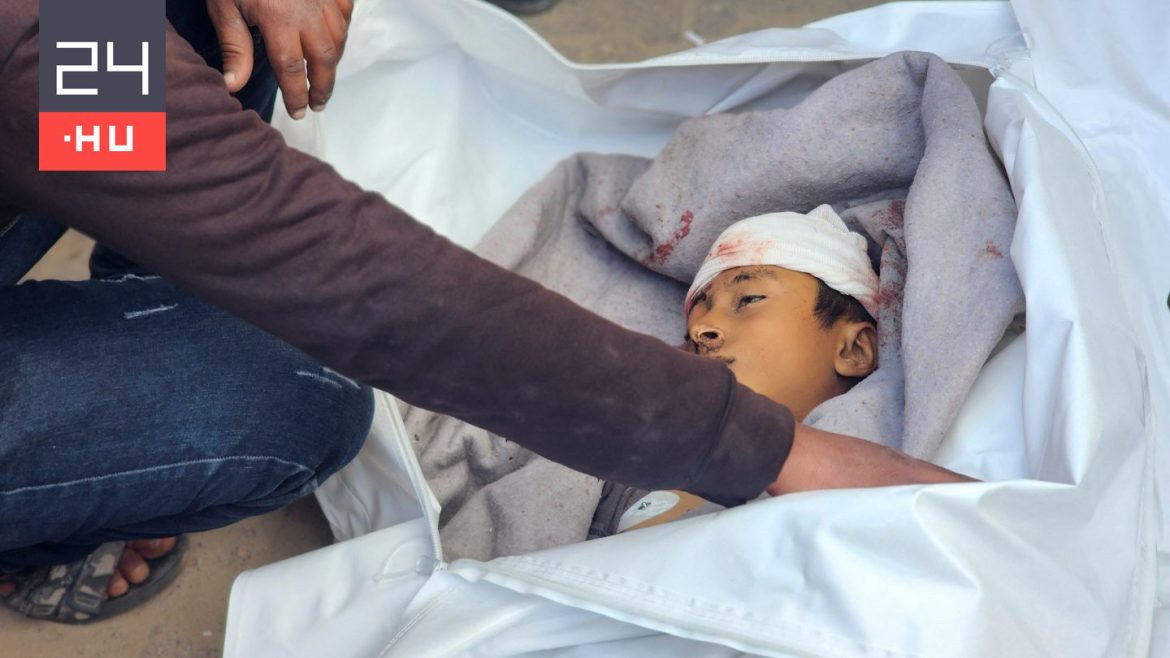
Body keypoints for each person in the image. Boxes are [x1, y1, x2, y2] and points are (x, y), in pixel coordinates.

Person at [0, 0, 967, 623]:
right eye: (705, 305)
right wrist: (750, 443)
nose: (703, 328)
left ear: (858, 343)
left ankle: (124, 375)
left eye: (746, 298)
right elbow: (325, 264)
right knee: (291, 394)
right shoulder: (42, 47)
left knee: (210, 32)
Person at [591, 206, 971, 535]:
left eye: (748, 299)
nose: (700, 330)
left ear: (853, 350)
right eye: (693, 322)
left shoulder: (889, 481)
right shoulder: (633, 470)